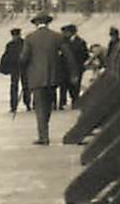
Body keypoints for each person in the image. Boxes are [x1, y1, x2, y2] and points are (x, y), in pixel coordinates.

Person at [18, 12, 78, 145]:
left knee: (39, 106)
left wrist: (23, 67)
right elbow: (69, 57)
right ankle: (44, 131)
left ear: (35, 23)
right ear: (48, 22)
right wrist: (74, 73)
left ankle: (43, 136)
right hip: (53, 77)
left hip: (36, 78)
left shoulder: (30, 38)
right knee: (49, 105)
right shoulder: (57, 37)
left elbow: (23, 58)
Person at [0, 27, 30, 115]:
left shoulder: (23, 43)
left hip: (22, 67)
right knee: (16, 87)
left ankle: (27, 103)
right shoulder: (12, 44)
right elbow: (6, 56)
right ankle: (14, 105)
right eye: (14, 36)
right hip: (16, 68)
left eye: (16, 35)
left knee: (25, 86)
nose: (15, 37)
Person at [58, 24, 90, 109]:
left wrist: (80, 65)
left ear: (71, 32)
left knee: (75, 87)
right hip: (64, 68)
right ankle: (62, 103)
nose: (63, 34)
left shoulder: (80, 42)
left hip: (77, 68)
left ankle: (75, 102)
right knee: (63, 86)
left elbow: (85, 55)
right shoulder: (62, 42)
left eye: (65, 32)